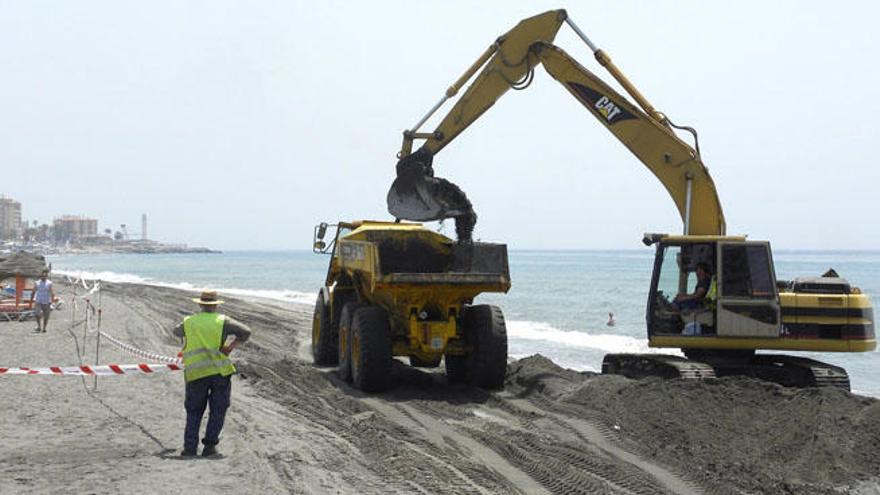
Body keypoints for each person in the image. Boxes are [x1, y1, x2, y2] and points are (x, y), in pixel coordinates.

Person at [172, 290, 251, 458]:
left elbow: (176, 332)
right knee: (218, 410)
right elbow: (246, 331)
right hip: (219, 372)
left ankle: (190, 448)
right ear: (215, 305)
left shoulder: (189, 321)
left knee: (194, 411)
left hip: (196, 373)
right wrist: (229, 347)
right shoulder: (223, 321)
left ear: (200, 304)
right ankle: (210, 447)